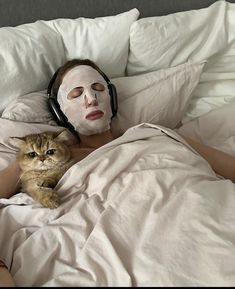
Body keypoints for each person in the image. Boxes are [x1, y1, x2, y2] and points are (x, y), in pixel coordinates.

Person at [1, 58, 235, 200]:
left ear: (111, 98)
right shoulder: (55, 163)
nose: (91, 99)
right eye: (76, 94)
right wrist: (26, 158)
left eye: (97, 88)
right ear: (59, 111)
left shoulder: (154, 133)